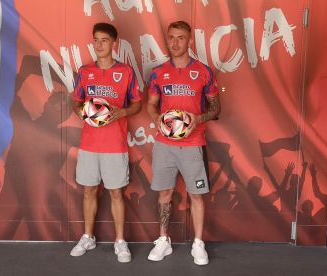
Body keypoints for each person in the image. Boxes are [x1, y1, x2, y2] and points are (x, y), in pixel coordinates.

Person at [146, 21, 221, 265]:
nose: (175, 43)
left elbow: (216, 106)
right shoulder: (158, 72)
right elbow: (150, 104)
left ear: (189, 41)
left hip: (193, 142)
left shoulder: (203, 71)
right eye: (171, 38)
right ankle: (164, 240)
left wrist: (199, 118)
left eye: (181, 38)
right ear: (167, 40)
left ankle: (198, 243)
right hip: (164, 144)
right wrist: (156, 117)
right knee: (164, 192)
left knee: (196, 194)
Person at [70, 23, 142, 263]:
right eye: (96, 40)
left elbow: (137, 104)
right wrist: (82, 112)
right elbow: (77, 103)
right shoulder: (85, 71)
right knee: (89, 191)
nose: (99, 44)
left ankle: (120, 241)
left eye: (104, 40)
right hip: (90, 143)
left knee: (116, 193)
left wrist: (121, 113)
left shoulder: (126, 72)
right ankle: (88, 236)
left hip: (115, 144)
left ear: (114, 44)